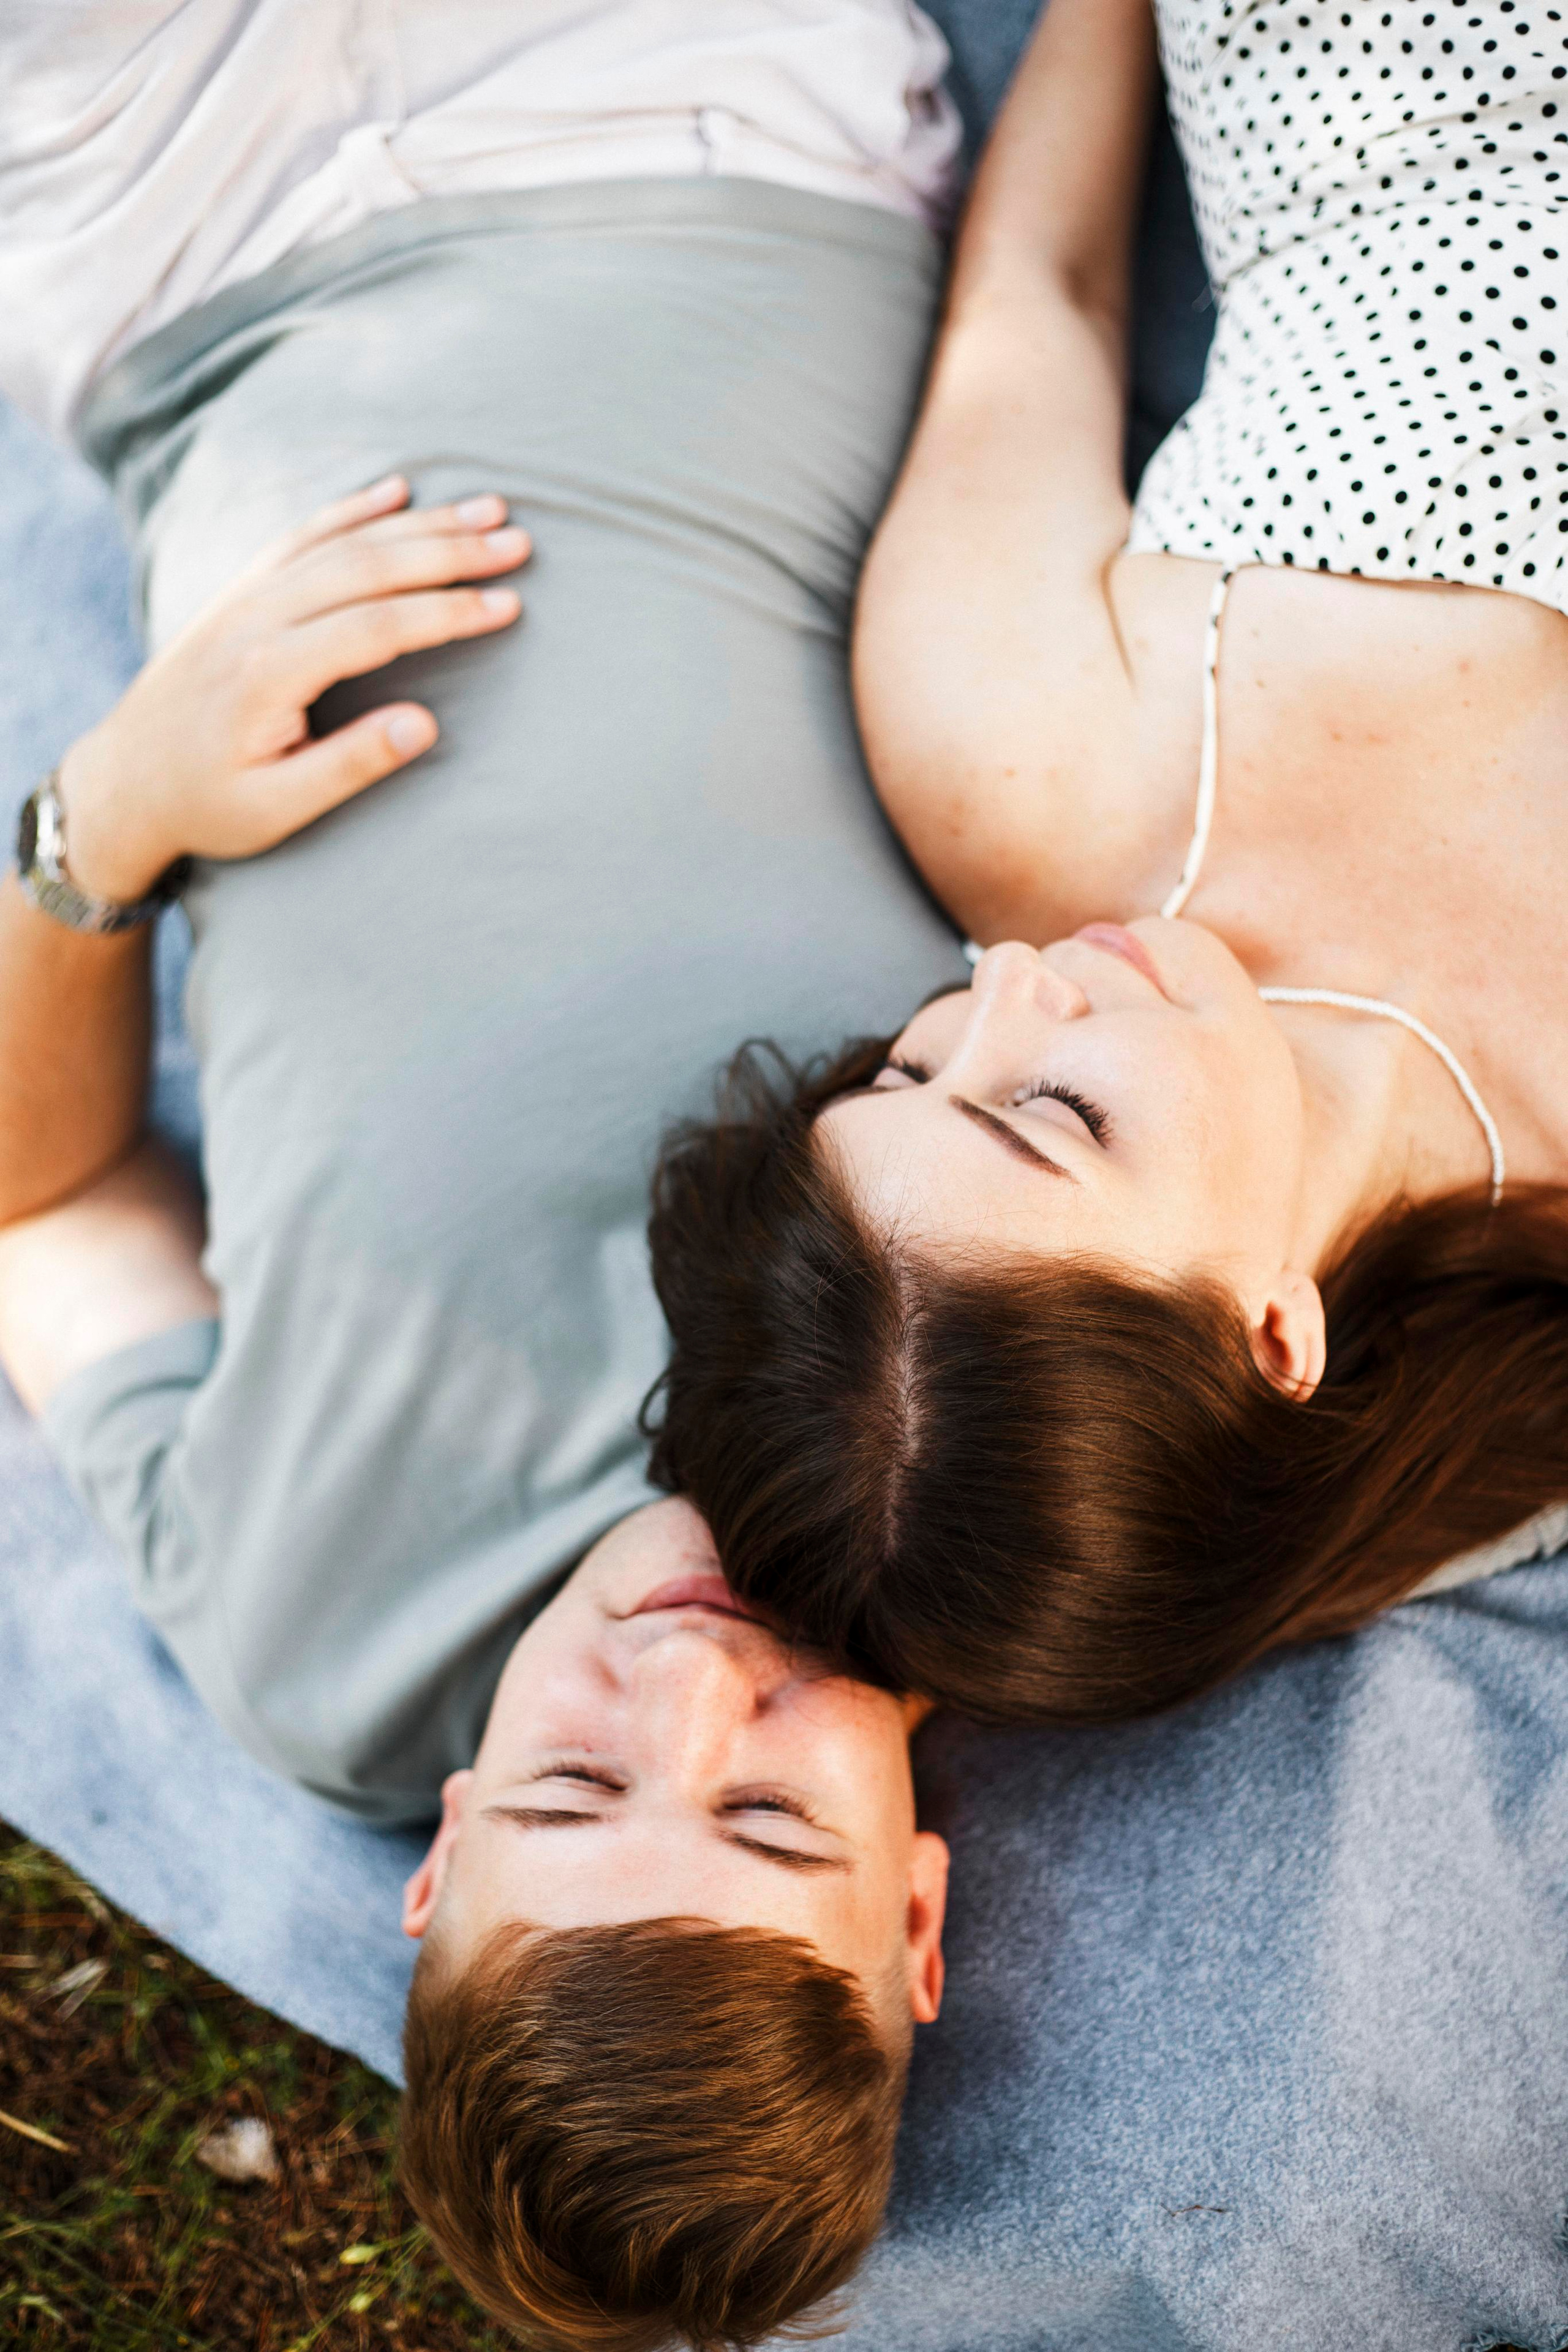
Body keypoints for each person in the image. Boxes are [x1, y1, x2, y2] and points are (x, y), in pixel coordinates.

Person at [0, 7, 967, 2343]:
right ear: (919, 1925)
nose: (682, 1693)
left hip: (183, 265)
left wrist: (99, 826)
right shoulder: (1005, 1480)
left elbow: (41, 1208)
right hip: (692, 132)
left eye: (563, 1795)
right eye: (768, 1823)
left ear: (431, 1865)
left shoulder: (306, 1650)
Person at [645, 0, 1568, 1727]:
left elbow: (1041, 303)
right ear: (1269, 1339)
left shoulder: (1018, 780)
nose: (1010, 984)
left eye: (912, 1062)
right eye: (1053, 1112)